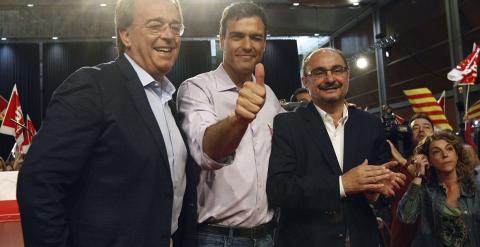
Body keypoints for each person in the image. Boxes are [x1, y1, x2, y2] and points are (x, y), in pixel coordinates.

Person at [16, 0, 196, 246]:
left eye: (176, 27)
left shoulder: (168, 99)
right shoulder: (92, 87)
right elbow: (38, 186)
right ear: (126, 35)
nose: (168, 35)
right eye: (155, 25)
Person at [266, 47, 405, 246]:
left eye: (338, 70)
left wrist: (375, 192)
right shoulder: (287, 125)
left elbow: (382, 192)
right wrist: (342, 184)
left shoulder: (370, 124)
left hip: (362, 239)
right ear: (305, 81)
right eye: (320, 72)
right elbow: (279, 189)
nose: (330, 78)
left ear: (348, 75)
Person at [176, 2, 283, 247]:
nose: (247, 45)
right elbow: (207, 153)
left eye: (256, 37)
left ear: (264, 44)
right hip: (217, 238)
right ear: (221, 39)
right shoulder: (197, 88)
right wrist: (240, 119)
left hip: (268, 235)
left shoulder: (270, 96)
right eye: (237, 36)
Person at [397, 131, 480, 246]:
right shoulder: (425, 189)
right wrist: (418, 175)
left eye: (449, 149)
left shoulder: (475, 185)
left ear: (456, 155)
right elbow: (406, 217)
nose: (445, 155)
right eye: (436, 152)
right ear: (428, 160)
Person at [388, 113, 435, 247]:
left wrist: (404, 162)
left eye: (426, 126)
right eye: (415, 128)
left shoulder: (442, 162)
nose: (421, 130)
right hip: (403, 235)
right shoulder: (393, 162)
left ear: (433, 132)